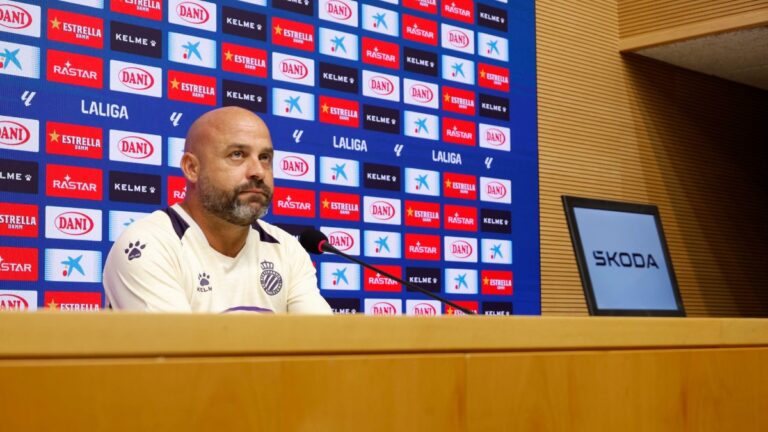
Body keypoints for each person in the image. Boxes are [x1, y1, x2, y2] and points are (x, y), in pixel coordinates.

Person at [103, 107, 332, 314]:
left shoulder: (287, 249)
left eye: (265, 158)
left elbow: (325, 347)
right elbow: (178, 357)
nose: (258, 171)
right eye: (237, 155)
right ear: (192, 168)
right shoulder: (148, 245)